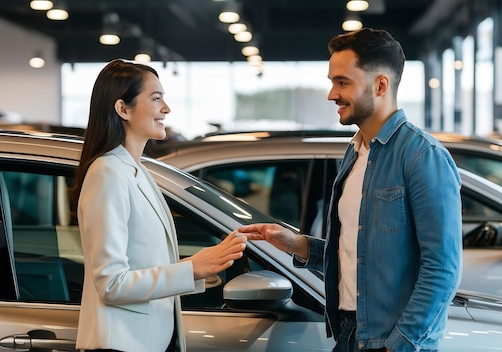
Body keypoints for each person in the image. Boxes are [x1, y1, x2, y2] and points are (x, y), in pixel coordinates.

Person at [237, 28, 462, 352]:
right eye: (332, 82)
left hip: (392, 342)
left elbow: (443, 269)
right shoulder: (354, 152)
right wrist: (298, 245)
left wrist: (400, 344)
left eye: (342, 82)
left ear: (380, 85)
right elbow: (362, 253)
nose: (331, 94)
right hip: (349, 334)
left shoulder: (422, 156)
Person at [69, 59, 247, 352]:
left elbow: (144, 266)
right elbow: (111, 283)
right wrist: (191, 268)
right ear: (123, 109)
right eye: (156, 99)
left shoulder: (135, 170)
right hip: (122, 344)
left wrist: (199, 268)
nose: (166, 108)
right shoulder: (108, 172)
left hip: (147, 340)